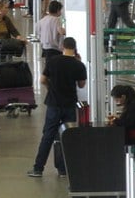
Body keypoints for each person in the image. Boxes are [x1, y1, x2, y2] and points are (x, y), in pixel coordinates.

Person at [27, 37, 87, 177]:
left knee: (48, 136)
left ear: (63, 47)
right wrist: (78, 63)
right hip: (69, 105)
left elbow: (42, 80)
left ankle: (38, 168)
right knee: (66, 137)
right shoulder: (78, 65)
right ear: (74, 47)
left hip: (54, 104)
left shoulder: (53, 61)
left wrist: (50, 88)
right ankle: (64, 169)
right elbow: (81, 84)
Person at [107, 84, 135, 190]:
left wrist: (116, 120)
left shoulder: (134, 105)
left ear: (123, 97)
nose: (117, 102)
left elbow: (128, 122)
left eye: (117, 99)